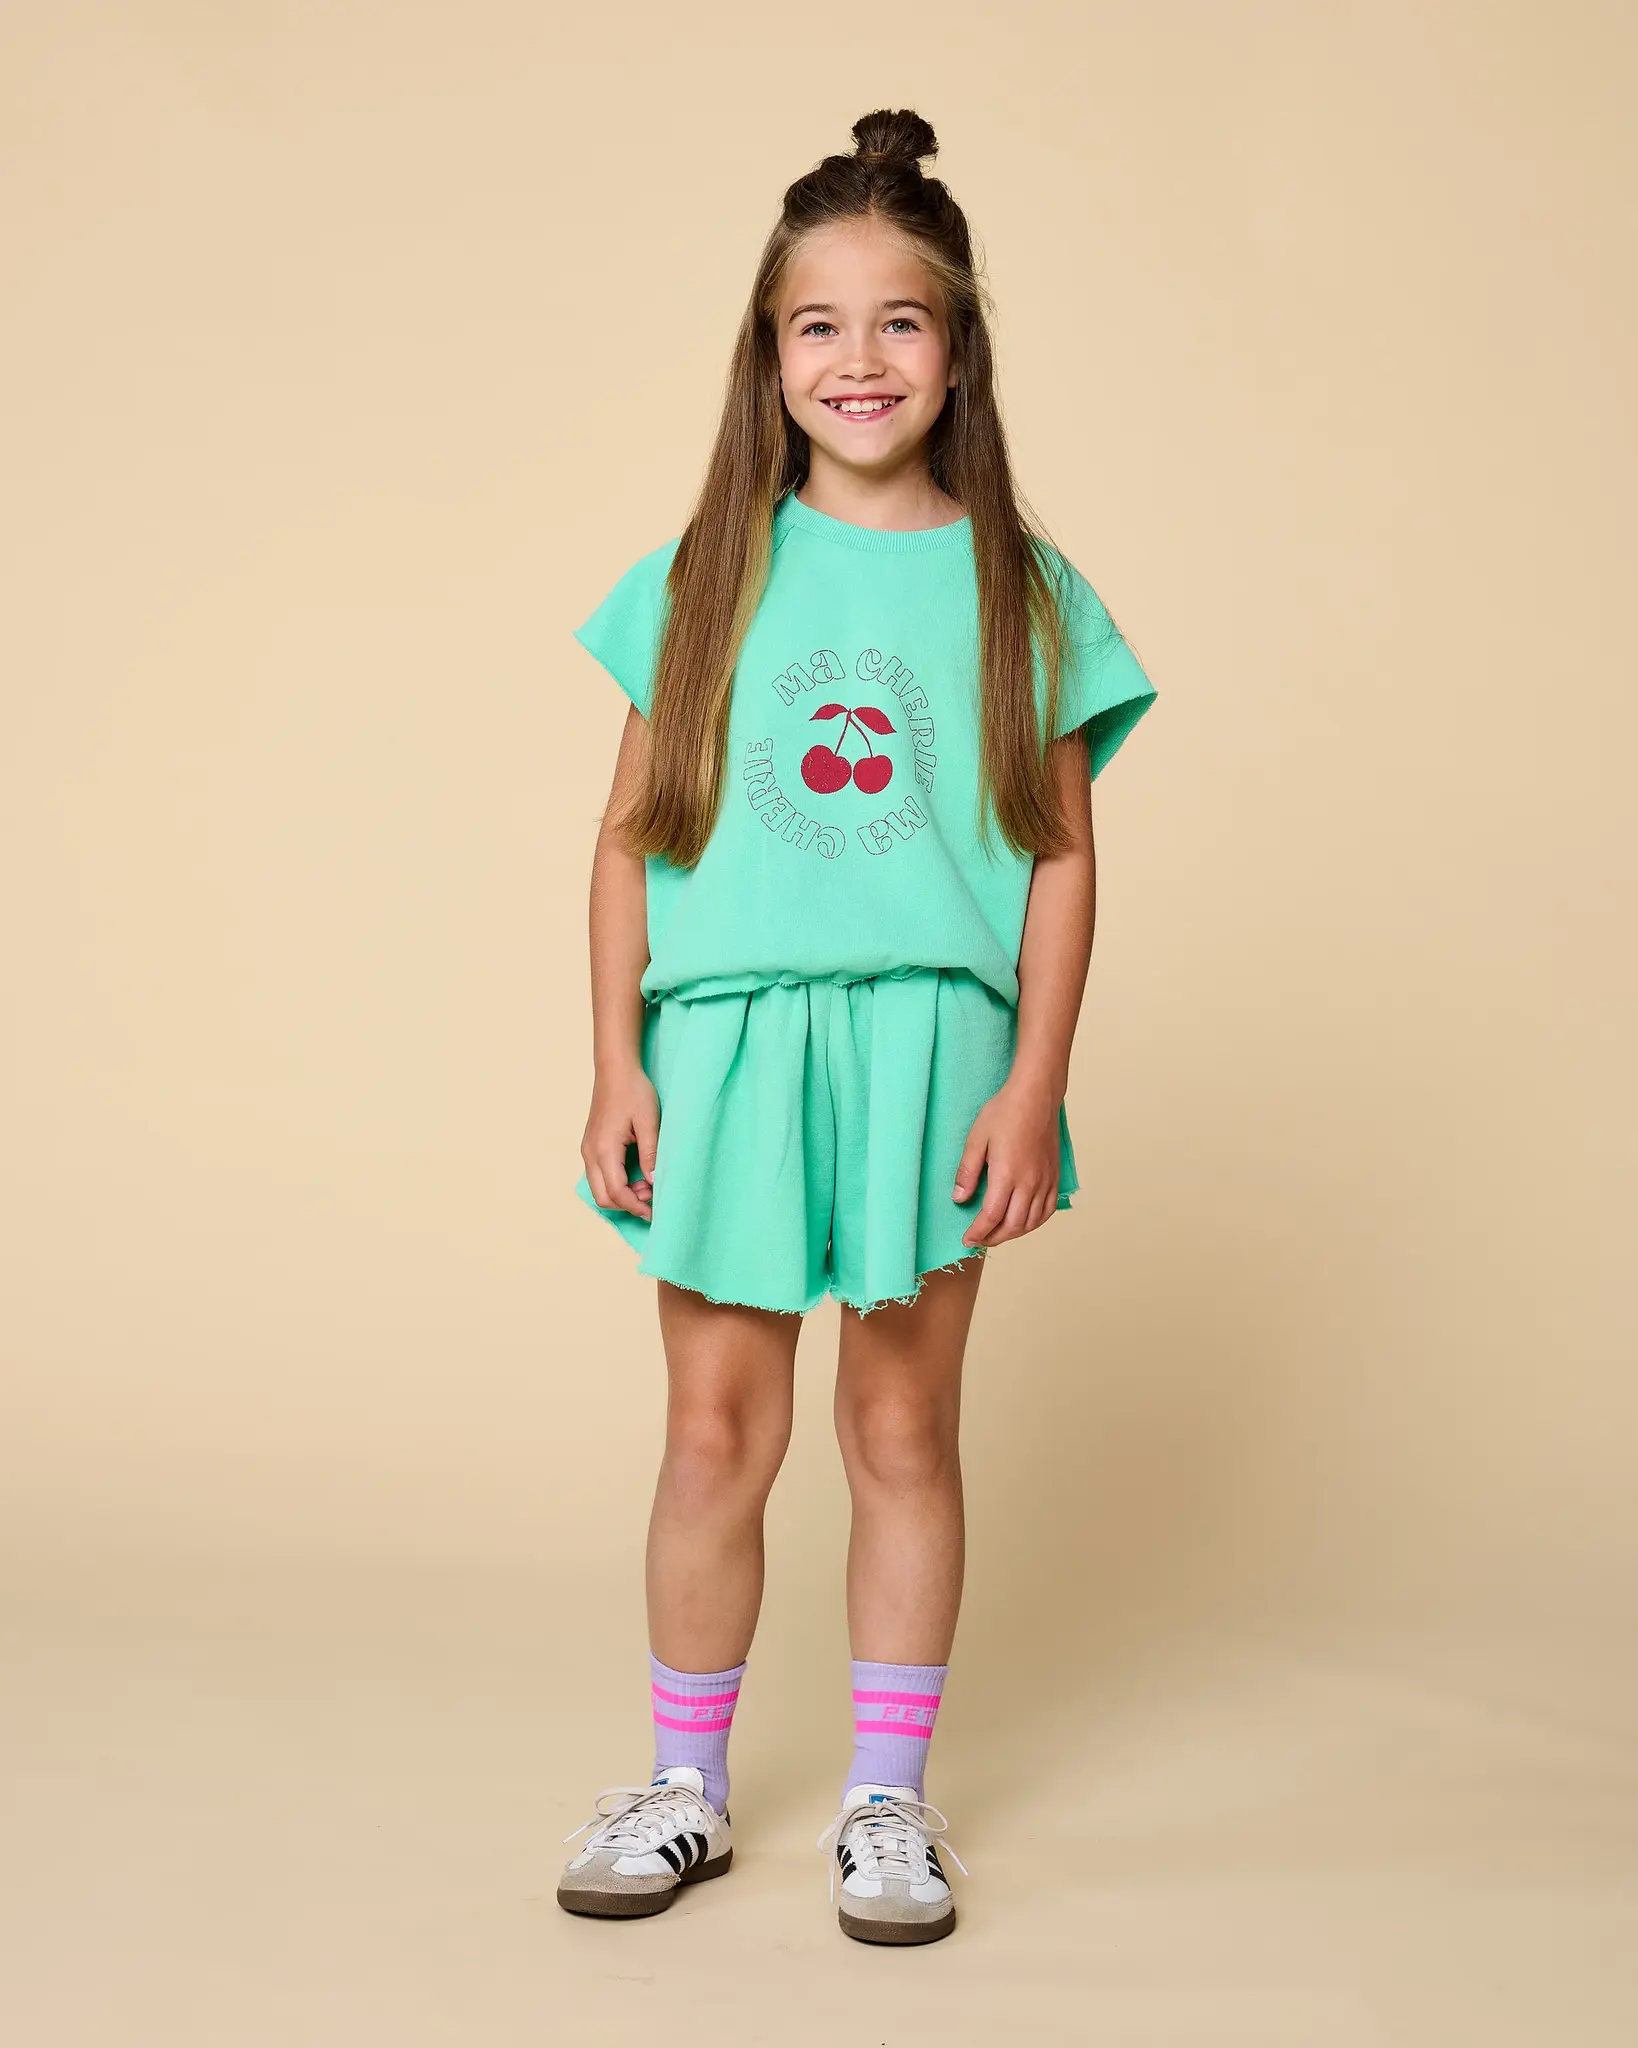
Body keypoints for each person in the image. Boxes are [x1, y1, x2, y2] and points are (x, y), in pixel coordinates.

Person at [556, 107, 1156, 1946]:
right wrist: (617, 1059)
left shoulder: (1021, 588)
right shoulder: (705, 575)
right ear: (768, 356)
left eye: (900, 321)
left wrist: (1034, 1084)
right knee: (711, 1432)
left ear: (956, 351)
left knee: (900, 1428)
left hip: (927, 1054)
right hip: (729, 1046)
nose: (859, 359)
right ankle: (682, 1788)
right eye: (817, 324)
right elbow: (626, 834)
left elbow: (1059, 856)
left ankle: (887, 1805)